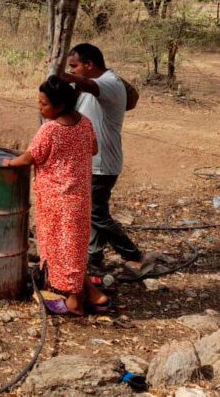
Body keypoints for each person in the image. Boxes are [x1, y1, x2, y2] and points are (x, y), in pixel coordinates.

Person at [3, 76, 110, 316]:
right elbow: (93, 149)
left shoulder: (50, 130)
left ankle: (75, 302)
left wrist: (10, 163)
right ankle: (92, 294)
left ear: (60, 105)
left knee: (59, 249)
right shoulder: (84, 123)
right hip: (80, 198)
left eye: (43, 104)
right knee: (73, 248)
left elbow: (30, 158)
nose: (39, 107)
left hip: (56, 201)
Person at [61, 43, 153, 279]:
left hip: (102, 163)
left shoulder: (110, 83)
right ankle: (94, 258)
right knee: (95, 212)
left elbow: (88, 84)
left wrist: (60, 73)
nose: (73, 71)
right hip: (94, 161)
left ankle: (135, 256)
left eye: (75, 66)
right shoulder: (89, 89)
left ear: (89, 65)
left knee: (96, 213)